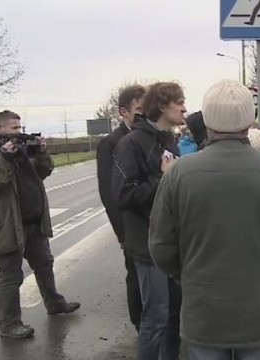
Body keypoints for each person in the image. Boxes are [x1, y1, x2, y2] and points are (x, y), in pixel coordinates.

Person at [149, 79, 260, 360]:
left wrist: (189, 277)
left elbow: (161, 245)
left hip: (204, 314)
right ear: (250, 120)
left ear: (208, 120)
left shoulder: (178, 174)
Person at [0, 110, 80, 339]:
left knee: (44, 264)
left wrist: (42, 153)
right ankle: (9, 324)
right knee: (11, 275)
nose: (20, 132)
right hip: (8, 225)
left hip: (33, 223)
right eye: (14, 128)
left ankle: (55, 303)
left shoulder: (22, 149)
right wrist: (5, 158)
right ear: (0, 129)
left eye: (21, 127)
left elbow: (43, 172)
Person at [113, 82, 186, 360]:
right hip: (146, 244)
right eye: (179, 101)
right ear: (162, 106)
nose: (184, 107)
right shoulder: (129, 144)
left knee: (175, 316)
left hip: (173, 241)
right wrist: (163, 179)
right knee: (155, 317)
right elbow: (123, 195)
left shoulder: (170, 140)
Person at [96, 84, 145, 332]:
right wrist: (121, 232)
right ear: (123, 112)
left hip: (148, 222)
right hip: (128, 224)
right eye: (138, 110)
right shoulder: (111, 143)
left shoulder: (147, 136)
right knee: (135, 274)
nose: (143, 115)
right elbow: (109, 192)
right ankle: (139, 322)